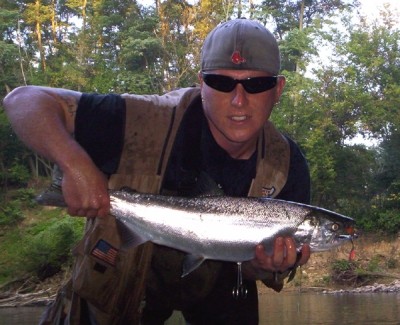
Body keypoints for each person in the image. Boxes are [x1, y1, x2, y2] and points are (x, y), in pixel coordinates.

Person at [4, 18, 311, 325]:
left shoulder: (286, 165)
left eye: (256, 84)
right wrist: (75, 165)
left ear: (278, 89)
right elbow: (24, 100)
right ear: (202, 83)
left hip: (221, 288)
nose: (238, 100)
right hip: (119, 279)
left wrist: (265, 265)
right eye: (221, 82)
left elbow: (259, 271)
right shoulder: (141, 120)